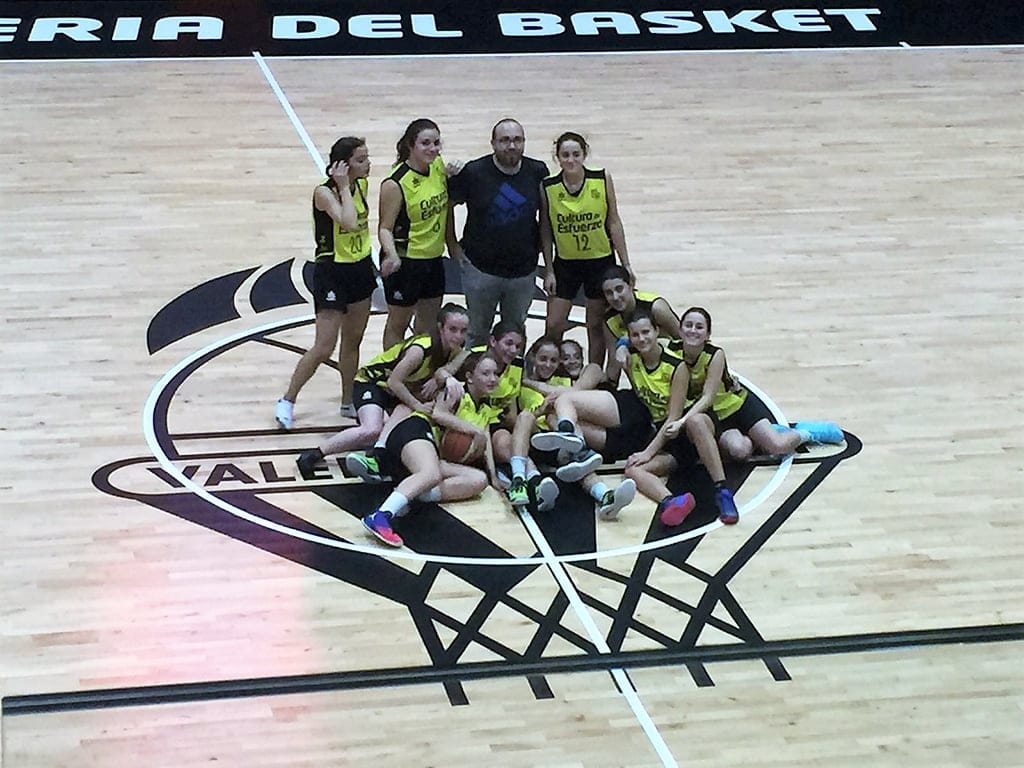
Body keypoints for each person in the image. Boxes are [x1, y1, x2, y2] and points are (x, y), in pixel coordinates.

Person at [536, 311, 738, 526]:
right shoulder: (631, 354)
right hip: (652, 428)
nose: (641, 339)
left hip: (678, 428)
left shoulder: (676, 366)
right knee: (630, 468)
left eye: (646, 333)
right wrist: (622, 345)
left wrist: (648, 452)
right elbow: (621, 341)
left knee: (691, 424)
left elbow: (674, 417)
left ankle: (722, 491)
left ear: (657, 332)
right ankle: (672, 501)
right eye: (635, 335)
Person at [295, 304, 469, 479]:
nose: (458, 336)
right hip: (372, 383)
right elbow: (394, 382)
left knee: (405, 413)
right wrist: (417, 404)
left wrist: (436, 380)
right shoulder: (420, 349)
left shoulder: (456, 352)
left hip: (396, 391)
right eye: (453, 329)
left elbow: (448, 368)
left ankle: (380, 451)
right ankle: (316, 453)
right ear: (440, 327)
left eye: (463, 331)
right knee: (371, 429)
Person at [355, 351, 507, 547]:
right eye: (486, 373)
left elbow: (485, 441)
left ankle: (414, 493)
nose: (492, 379)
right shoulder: (456, 392)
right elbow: (438, 414)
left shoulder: (486, 409)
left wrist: (493, 476)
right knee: (431, 473)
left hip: (431, 451)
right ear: (469, 377)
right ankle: (381, 516)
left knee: (478, 480)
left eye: (496, 374)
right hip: (414, 430)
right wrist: (472, 430)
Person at [275, 137, 376, 429]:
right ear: (342, 166)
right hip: (332, 271)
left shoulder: (363, 185)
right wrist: (343, 186)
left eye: (367, 158)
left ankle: (347, 402)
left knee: (353, 340)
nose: (367, 164)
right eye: (360, 159)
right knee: (324, 346)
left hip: (360, 268)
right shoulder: (324, 192)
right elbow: (347, 222)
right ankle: (288, 399)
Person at [666, 307, 844, 461]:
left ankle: (806, 433)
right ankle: (760, 437)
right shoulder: (670, 351)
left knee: (778, 446)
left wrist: (682, 421)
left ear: (708, 335)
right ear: (680, 330)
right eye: (688, 325)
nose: (693, 331)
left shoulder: (715, 355)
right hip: (715, 418)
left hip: (737, 406)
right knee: (739, 452)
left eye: (699, 327)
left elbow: (708, 397)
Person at [448, 118, 550, 347]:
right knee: (477, 333)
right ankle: (474, 380)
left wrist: (547, 259)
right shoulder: (474, 172)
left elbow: (545, 217)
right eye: (504, 140)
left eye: (517, 140)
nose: (511, 146)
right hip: (480, 270)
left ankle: (511, 381)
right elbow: (448, 205)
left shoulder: (537, 171)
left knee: (514, 335)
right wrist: (452, 243)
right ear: (493, 143)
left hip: (523, 271)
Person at [540, 131, 633, 369]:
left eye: (575, 154)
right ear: (557, 158)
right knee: (553, 324)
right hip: (566, 263)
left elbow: (614, 221)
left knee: (595, 324)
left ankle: (593, 375)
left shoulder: (601, 178)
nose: (570, 160)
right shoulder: (549, 187)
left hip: (600, 263)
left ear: (584, 154)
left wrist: (625, 264)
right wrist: (549, 269)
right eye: (565, 155)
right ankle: (551, 370)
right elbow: (546, 230)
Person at [517, 337, 634, 520]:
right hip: (541, 439)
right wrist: (540, 410)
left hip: (572, 438)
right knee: (553, 422)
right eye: (543, 359)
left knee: (579, 466)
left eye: (554, 360)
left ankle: (605, 497)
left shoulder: (563, 380)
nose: (548, 364)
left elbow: (585, 380)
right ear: (532, 357)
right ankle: (546, 483)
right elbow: (519, 421)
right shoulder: (518, 386)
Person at [379, 118, 456, 351]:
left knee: (428, 325)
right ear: (411, 145)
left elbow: (446, 209)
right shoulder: (395, 183)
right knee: (398, 324)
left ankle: (418, 375)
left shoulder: (438, 167)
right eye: (425, 143)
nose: (432, 149)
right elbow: (385, 228)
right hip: (406, 263)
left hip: (433, 260)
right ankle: (391, 371)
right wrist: (392, 255)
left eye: (436, 143)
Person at [601, 265, 682, 384]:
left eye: (619, 289)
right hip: (643, 378)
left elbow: (684, 338)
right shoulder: (609, 319)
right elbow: (614, 361)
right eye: (609, 293)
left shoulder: (656, 307)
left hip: (671, 370)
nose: (615, 297)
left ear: (630, 285)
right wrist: (609, 389)